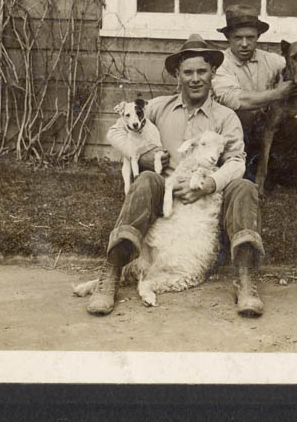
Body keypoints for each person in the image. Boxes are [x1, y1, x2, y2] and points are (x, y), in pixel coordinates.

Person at [87, 34, 266, 318]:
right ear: (177, 76)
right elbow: (117, 132)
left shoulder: (225, 117)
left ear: (213, 74)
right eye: (188, 72)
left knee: (243, 186)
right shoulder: (158, 108)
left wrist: (210, 184)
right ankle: (112, 270)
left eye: (202, 72)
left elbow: (236, 161)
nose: (195, 79)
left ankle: (245, 278)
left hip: (208, 207)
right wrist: (141, 156)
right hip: (166, 199)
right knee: (146, 179)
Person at [211, 4, 297, 183]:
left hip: (261, 129)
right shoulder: (221, 64)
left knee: (296, 127)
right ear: (228, 37)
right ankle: (242, 172)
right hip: (233, 132)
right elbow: (236, 100)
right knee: (243, 116)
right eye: (238, 38)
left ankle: (274, 173)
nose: (244, 43)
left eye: (250, 37)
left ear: (258, 37)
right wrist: (277, 93)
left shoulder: (268, 59)